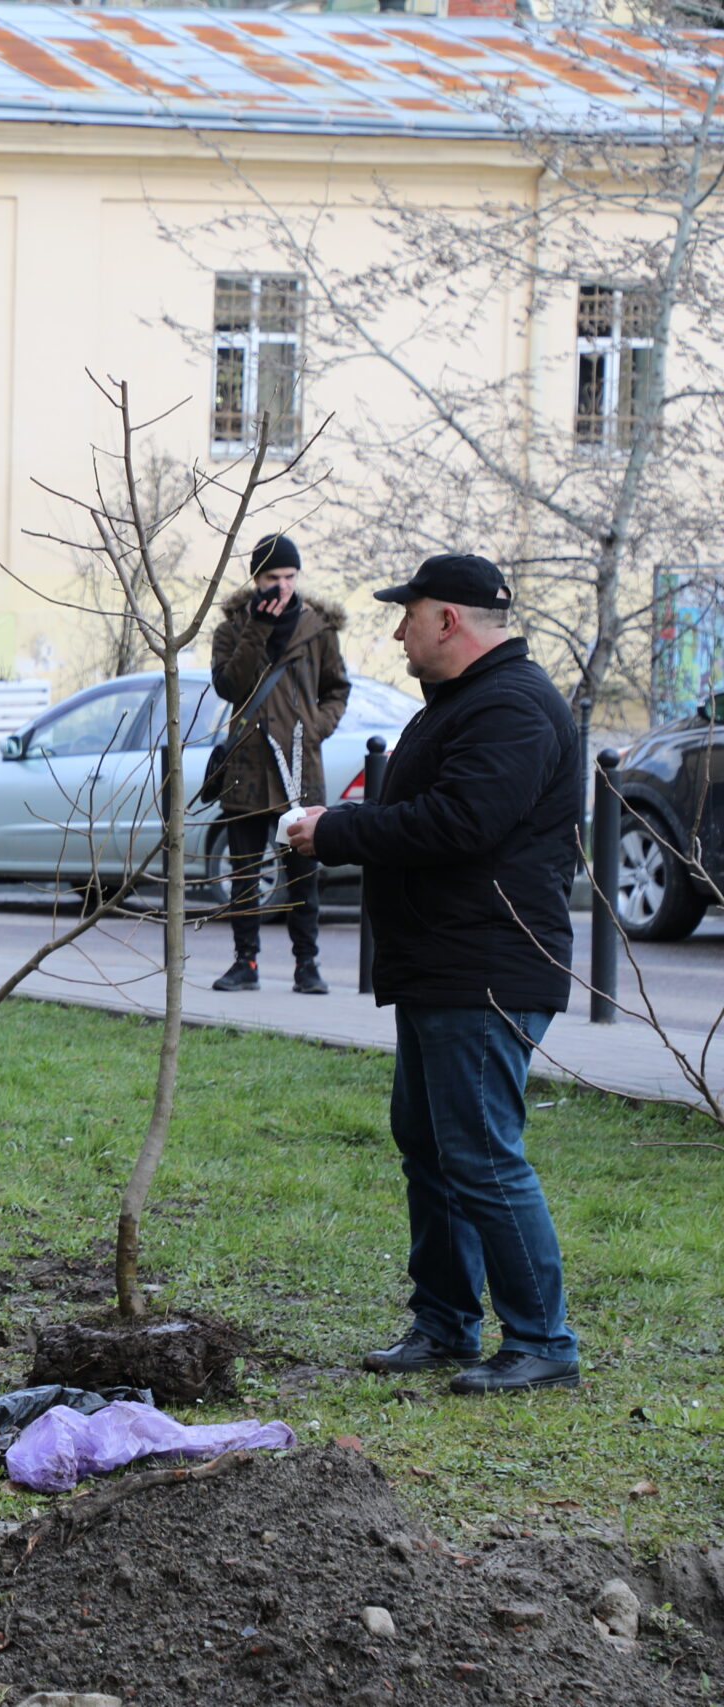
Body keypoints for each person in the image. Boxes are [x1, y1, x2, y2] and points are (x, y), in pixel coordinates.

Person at [290, 553, 583, 1395]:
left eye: (408, 615)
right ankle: (447, 1322)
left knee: (483, 1155)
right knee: (432, 1147)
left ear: (448, 620)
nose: (398, 632)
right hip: (442, 967)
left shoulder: (514, 708)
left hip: (485, 970)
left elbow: (461, 823)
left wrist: (338, 830)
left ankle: (542, 1342)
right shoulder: (465, 704)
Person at [209, 533, 350, 995]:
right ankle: (244, 963)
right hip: (246, 768)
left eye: (290, 577)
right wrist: (258, 629)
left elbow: (337, 688)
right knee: (245, 874)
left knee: (302, 876)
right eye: (273, 577)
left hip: (298, 768)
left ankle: (306, 965)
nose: (284, 586)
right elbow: (230, 686)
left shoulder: (318, 631)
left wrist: (316, 727)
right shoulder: (232, 630)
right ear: (256, 579)